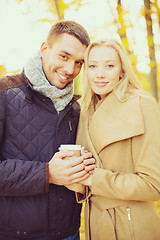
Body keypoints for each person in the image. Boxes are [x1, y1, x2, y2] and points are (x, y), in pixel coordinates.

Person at [0, 20, 95, 240]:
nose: (71, 70)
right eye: (64, 56)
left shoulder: (75, 108)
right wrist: (47, 173)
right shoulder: (4, 94)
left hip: (69, 234)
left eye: (79, 62)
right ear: (45, 49)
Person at [76, 38, 160, 240]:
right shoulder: (83, 111)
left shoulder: (143, 105)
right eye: (93, 66)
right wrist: (78, 182)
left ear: (122, 69)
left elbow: (154, 185)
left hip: (131, 225)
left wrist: (92, 179)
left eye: (109, 66)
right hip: (94, 223)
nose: (100, 74)